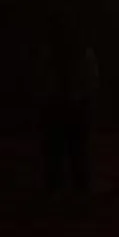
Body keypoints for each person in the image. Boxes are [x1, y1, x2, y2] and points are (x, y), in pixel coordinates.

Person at [44, 37, 101, 193]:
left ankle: (71, 191)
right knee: (69, 155)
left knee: (73, 155)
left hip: (71, 109)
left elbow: (91, 84)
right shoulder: (82, 54)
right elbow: (92, 83)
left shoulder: (54, 54)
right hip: (66, 109)